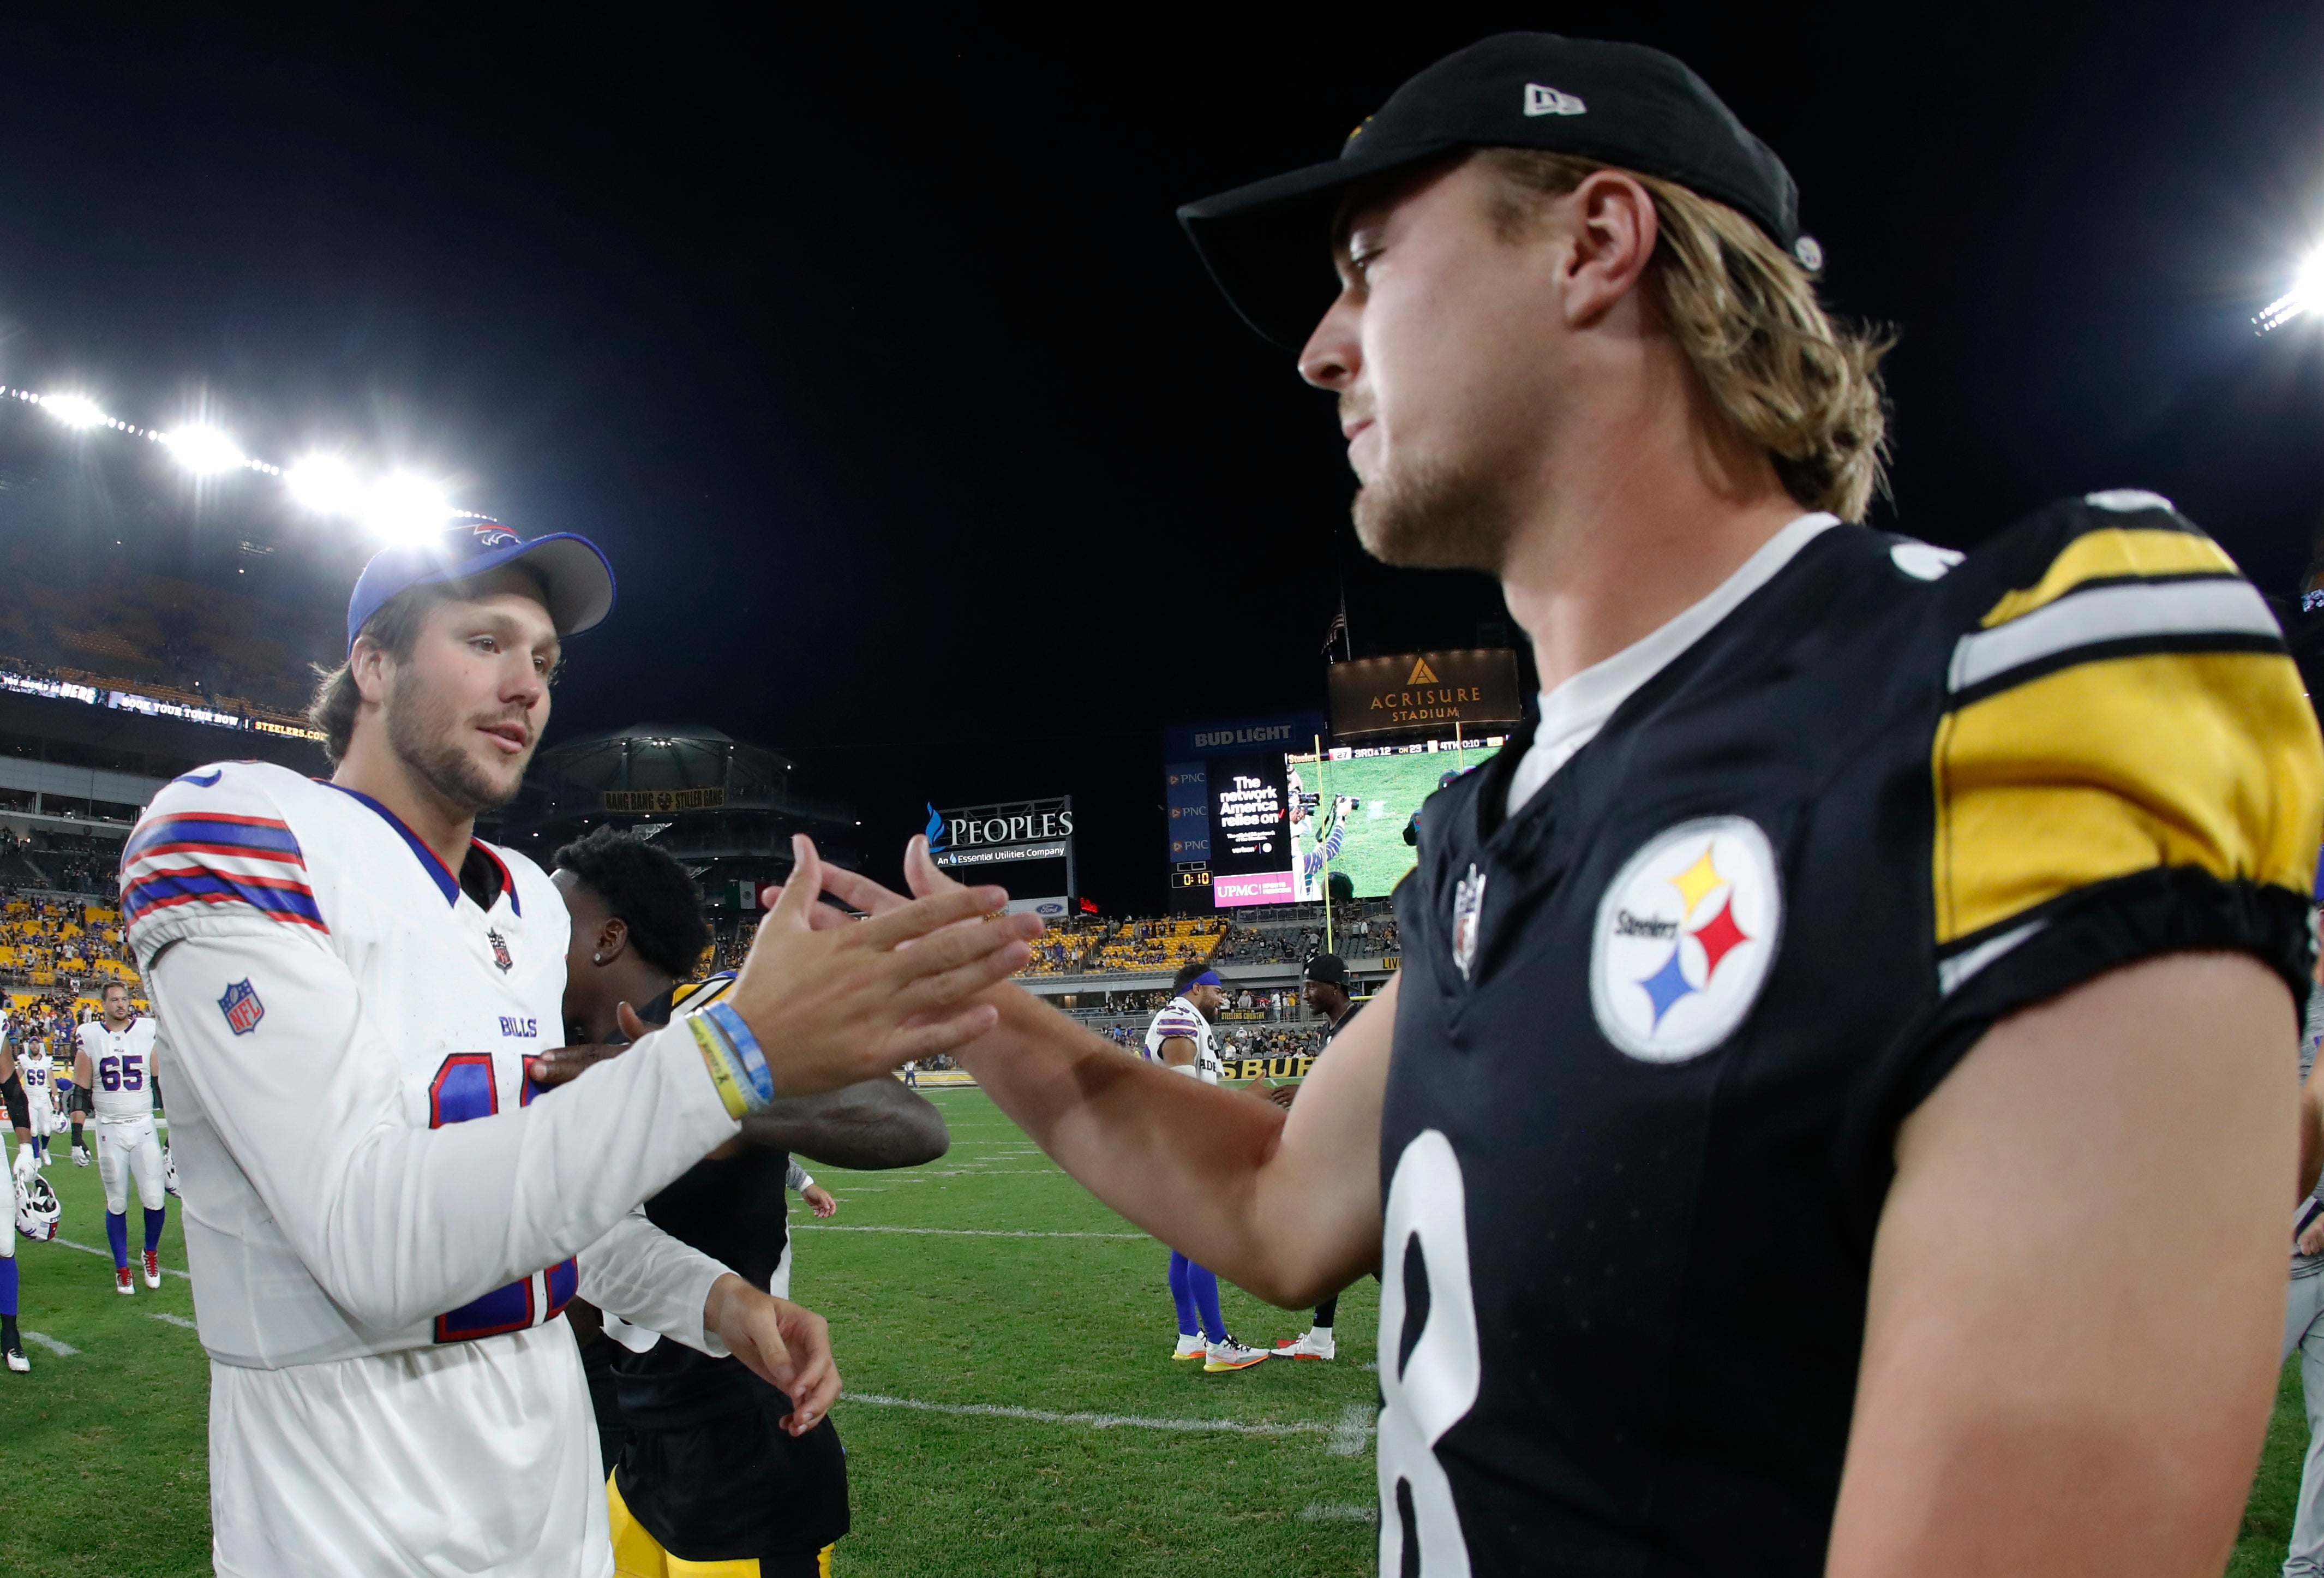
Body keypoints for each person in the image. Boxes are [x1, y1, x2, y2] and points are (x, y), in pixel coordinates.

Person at [796, 33, 2324, 1576]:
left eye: (1370, 261)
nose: (1322, 348)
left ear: (1595, 243)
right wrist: (985, 1006)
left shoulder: (2008, 684)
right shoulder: (1493, 824)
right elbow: (1273, 1202)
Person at [122, 522, 1035, 1577]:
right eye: (486, 642)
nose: (527, 686)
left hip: (546, 1492)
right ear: (371, 665)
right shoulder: (241, 830)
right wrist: (734, 1053)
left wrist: (713, 1298)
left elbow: (527, 1210)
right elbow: (371, 1243)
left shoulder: (524, 910)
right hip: (347, 1509)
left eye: (545, 659)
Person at [540, 825, 949, 1578]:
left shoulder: (713, 1021)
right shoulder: (555, 1054)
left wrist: (690, 1086)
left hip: (744, 1439)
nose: (528, 939)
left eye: (551, 920)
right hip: (636, 1445)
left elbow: (907, 1123)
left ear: (608, 939)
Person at [1142, 964, 1266, 1372]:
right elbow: (1183, 1096)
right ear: (1197, 990)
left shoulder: (1190, 1020)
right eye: (1218, 992)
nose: (1222, 999)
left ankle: (1189, 1337)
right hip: (1188, 1151)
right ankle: (1218, 1344)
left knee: (1186, 1245)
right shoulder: (1179, 1020)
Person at [1270, 952, 1363, 1362]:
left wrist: (1305, 1093)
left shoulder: (1360, 1027)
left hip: (1362, 1156)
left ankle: (1446, 1325)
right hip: (1342, 1155)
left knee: (1364, 1250)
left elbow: (1359, 1088)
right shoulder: (1334, 1031)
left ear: (1336, 987)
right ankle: (1321, 1337)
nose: (1305, 994)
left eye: (1311, 986)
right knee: (1333, 1244)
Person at [76, 980, 169, 1293]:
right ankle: (122, 1267)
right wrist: (77, 1135)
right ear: (103, 1004)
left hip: (143, 1125)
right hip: (109, 1127)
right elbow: (81, 1088)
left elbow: (159, 1082)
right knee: (117, 1202)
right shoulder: (90, 1036)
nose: (121, 1004)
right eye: (114, 999)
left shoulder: (146, 1030)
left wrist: (174, 1126)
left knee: (155, 1199)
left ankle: (150, 1252)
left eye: (125, 998)